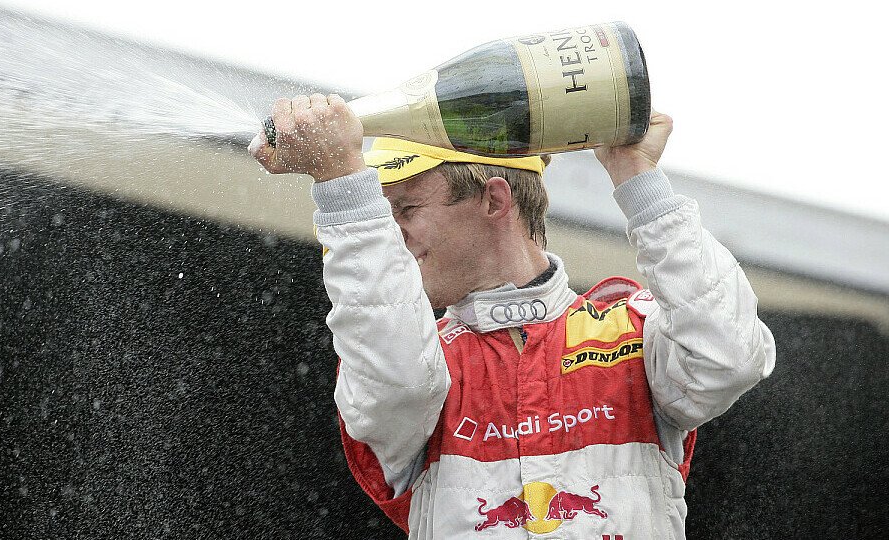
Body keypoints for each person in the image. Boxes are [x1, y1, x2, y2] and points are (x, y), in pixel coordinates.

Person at [249, 93, 776, 539]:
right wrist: (343, 186)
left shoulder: (633, 329)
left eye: (406, 210)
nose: (393, 238)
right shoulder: (419, 361)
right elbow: (395, 389)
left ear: (494, 201)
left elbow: (729, 357)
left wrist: (637, 177)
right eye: (382, 219)